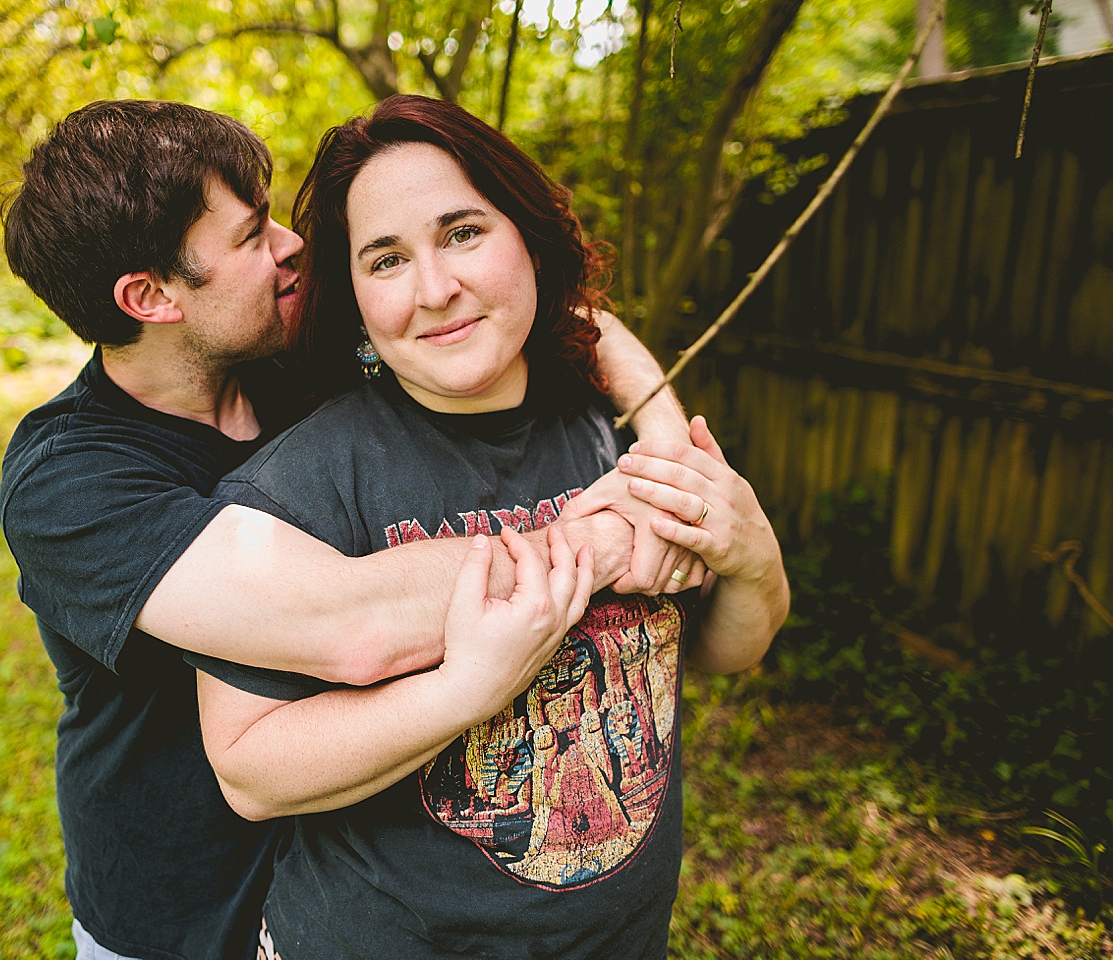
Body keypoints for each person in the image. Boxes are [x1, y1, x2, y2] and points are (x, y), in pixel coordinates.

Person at [0, 99, 705, 960]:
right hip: (175, 914)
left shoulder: (292, 363)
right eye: (254, 235)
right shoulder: (70, 481)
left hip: (342, 878)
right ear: (150, 298)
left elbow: (570, 318)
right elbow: (352, 624)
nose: (293, 247)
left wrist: (669, 458)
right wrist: (608, 537)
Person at [191, 95, 789, 960]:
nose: (436, 290)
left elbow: (721, 650)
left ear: (528, 235)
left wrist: (754, 560)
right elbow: (250, 772)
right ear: (355, 299)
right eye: (387, 259)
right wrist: (468, 685)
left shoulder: (610, 426)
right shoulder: (304, 484)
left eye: (463, 232)